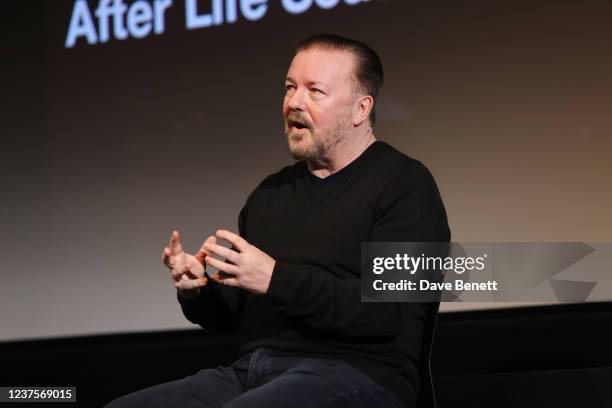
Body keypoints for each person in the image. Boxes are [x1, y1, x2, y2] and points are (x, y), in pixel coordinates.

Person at [105, 34, 450, 408]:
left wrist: (276, 278)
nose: (294, 103)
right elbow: (238, 314)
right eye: (290, 87)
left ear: (360, 109)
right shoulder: (270, 195)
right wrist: (198, 289)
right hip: (252, 372)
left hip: (359, 373)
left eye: (315, 91)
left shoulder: (403, 185)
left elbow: (390, 313)